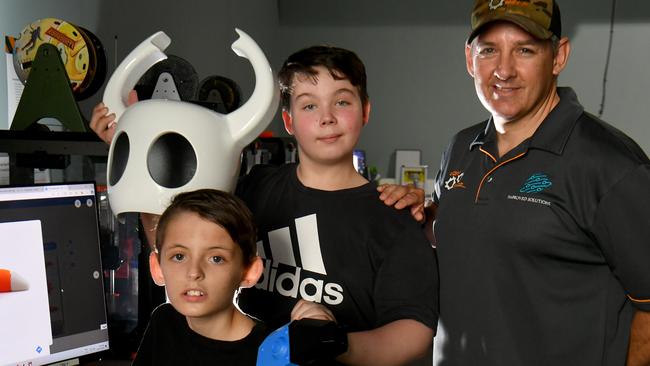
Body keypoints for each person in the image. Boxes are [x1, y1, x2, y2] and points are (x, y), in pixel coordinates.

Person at [91, 45, 439, 365]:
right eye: (309, 105)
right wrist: (133, 152)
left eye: (342, 102)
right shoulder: (255, 187)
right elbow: (178, 245)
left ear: (364, 111)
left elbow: (414, 332)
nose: (326, 117)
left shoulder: (393, 218)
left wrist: (333, 342)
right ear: (288, 120)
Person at [379, 0, 650, 365]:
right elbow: (477, 238)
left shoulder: (609, 163)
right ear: (469, 59)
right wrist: (421, 218)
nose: (504, 70)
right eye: (489, 50)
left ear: (558, 56)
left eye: (524, 49)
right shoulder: (460, 148)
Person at [131, 189, 267, 365]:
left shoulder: (269, 351)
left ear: (249, 272)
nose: (194, 272)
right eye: (179, 256)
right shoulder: (164, 322)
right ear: (157, 268)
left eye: (216, 259)